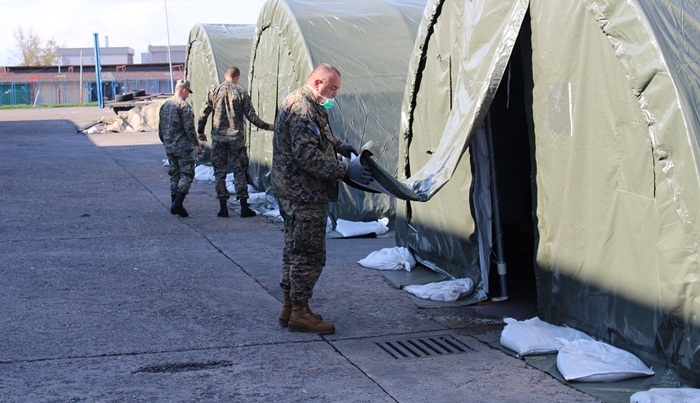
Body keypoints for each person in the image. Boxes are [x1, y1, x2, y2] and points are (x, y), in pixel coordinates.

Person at [271, 63, 372, 334]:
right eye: (333, 87)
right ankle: (300, 313)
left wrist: (341, 146)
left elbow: (319, 139)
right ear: (317, 83)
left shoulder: (304, 102)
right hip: (304, 194)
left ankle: (290, 307)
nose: (336, 94)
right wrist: (345, 169)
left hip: (293, 192)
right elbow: (308, 156)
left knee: (293, 250)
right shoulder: (303, 108)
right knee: (309, 255)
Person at [197, 66, 274, 218]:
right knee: (239, 171)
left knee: (220, 173)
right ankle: (244, 207)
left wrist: (200, 131)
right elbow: (252, 117)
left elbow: (203, 112)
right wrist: (268, 126)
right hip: (236, 139)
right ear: (237, 77)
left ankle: (223, 208)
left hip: (219, 139)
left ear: (226, 76)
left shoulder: (214, 91)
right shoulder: (241, 92)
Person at [159, 79, 201, 218]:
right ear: (184, 90)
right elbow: (189, 128)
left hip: (169, 146)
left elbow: (160, 128)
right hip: (183, 147)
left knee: (174, 174)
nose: (188, 95)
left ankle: (175, 204)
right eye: (188, 92)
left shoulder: (165, 105)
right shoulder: (184, 106)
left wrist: (166, 142)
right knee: (187, 174)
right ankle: (178, 203)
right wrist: (196, 144)